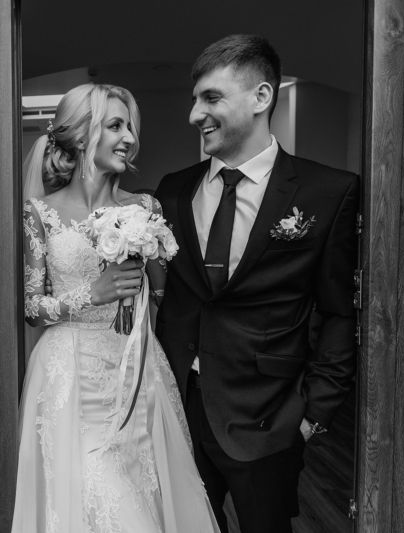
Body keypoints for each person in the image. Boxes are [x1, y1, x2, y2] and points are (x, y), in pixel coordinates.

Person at [155, 35, 359, 533]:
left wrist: (313, 413)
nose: (195, 114)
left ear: (261, 97)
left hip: (270, 419)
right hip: (177, 409)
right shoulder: (173, 190)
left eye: (211, 97)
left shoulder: (328, 192)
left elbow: (339, 311)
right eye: (195, 99)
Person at [12, 83, 219, 533]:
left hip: (137, 370)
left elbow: (164, 293)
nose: (130, 138)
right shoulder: (39, 214)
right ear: (82, 135)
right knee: (99, 500)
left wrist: (149, 267)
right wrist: (94, 292)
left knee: (144, 488)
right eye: (116, 126)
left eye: (131, 127)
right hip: (72, 378)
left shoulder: (144, 206)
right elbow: (31, 307)